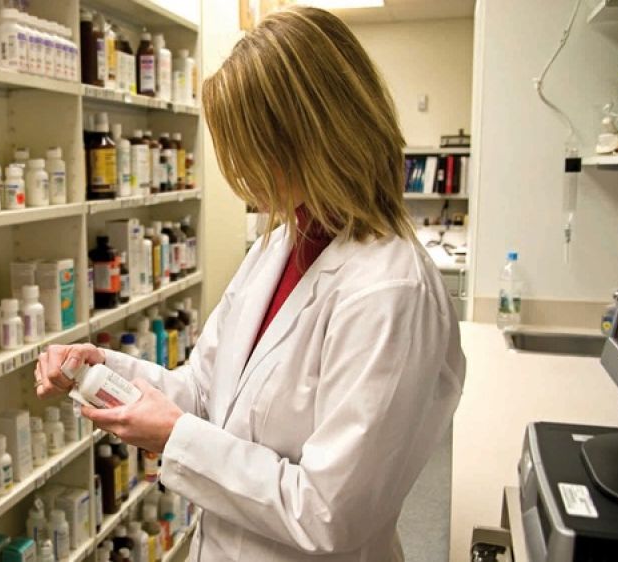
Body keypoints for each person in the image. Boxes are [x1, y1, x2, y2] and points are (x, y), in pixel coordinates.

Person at [34, 6, 465, 561]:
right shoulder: (279, 245)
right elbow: (206, 392)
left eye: (251, 148)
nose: (239, 171)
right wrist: (105, 372)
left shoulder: (390, 292)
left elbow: (328, 513)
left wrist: (176, 438)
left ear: (311, 139)